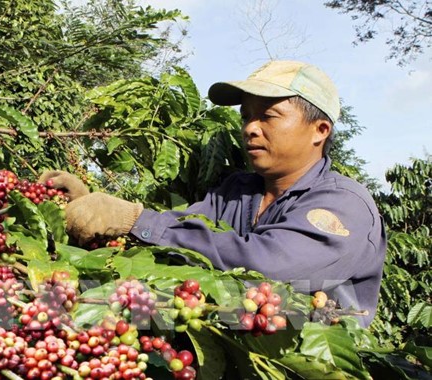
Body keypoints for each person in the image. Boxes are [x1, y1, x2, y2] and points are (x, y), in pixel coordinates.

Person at [40, 60, 387, 327]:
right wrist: (92, 205)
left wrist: (133, 218)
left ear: (319, 130)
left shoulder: (344, 204)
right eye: (247, 116)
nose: (251, 128)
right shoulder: (237, 192)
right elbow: (173, 231)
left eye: (268, 116)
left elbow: (268, 267)